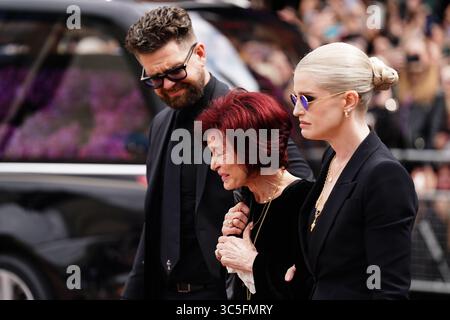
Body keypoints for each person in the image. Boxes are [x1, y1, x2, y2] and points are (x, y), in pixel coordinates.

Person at [121, 6, 313, 299]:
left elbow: (297, 190)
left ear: (199, 53)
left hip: (223, 292)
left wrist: (251, 234)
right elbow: (155, 225)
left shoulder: (243, 115)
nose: (167, 85)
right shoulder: (160, 124)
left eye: (175, 71)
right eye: (155, 79)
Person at [289, 42, 418, 299]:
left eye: (307, 99)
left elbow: (385, 288)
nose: (296, 110)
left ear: (349, 100)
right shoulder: (333, 157)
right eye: (295, 98)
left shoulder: (383, 176)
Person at [198, 90, 313, 300]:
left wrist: (250, 263)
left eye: (220, 152)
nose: (213, 164)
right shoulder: (245, 201)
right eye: (211, 153)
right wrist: (229, 250)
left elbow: (304, 289)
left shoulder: (304, 200)